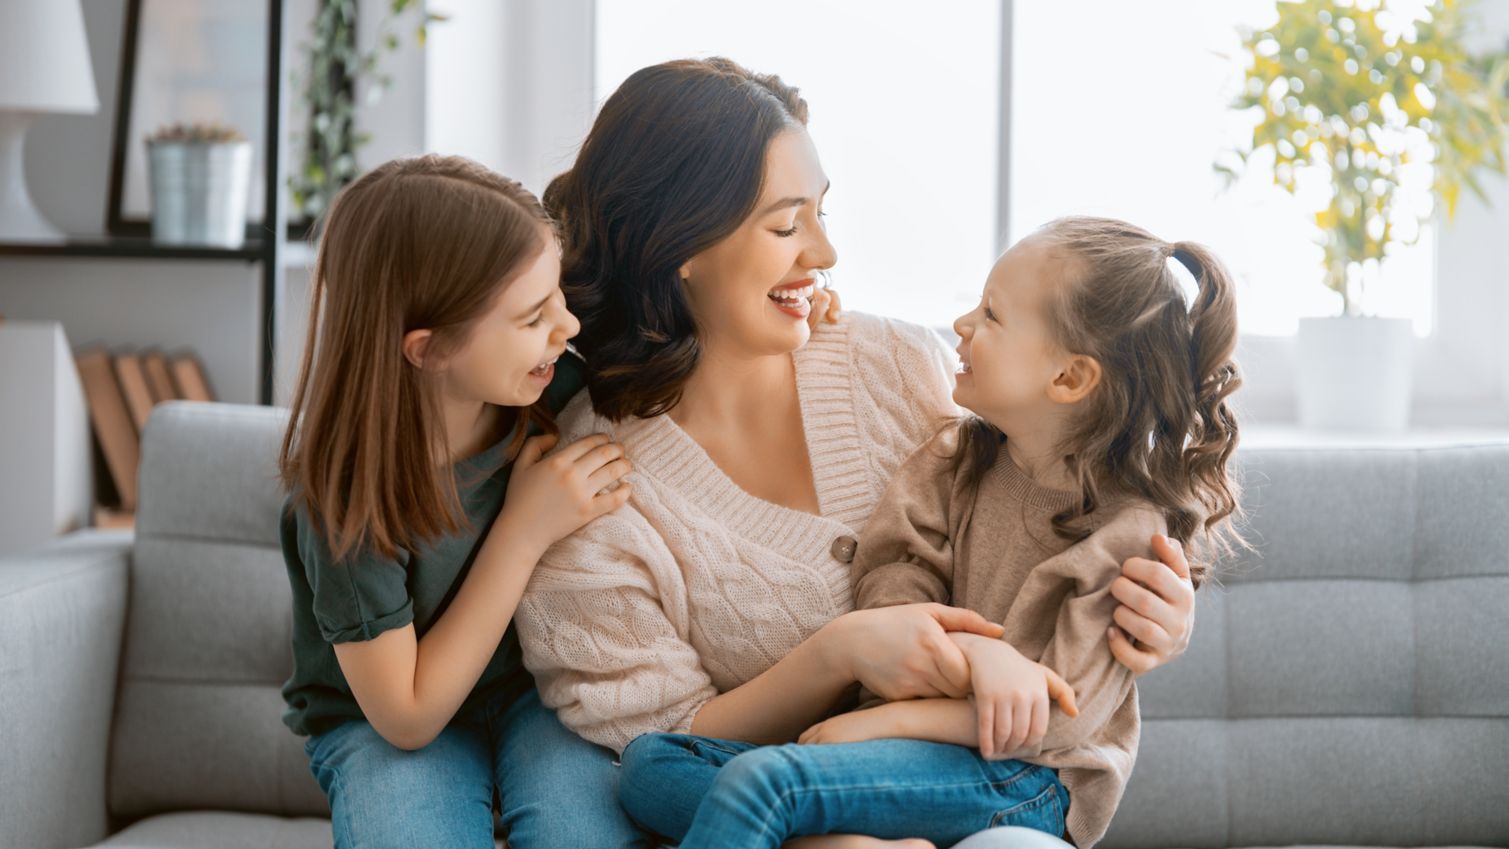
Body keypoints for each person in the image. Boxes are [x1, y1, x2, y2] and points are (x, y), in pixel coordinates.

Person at [515, 58, 1199, 847]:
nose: (826, 252)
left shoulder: (905, 370)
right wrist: (837, 656)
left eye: (821, 212)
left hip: (986, 790)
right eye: (785, 224)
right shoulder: (589, 489)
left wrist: (1150, 614)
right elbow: (669, 737)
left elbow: (1064, 507)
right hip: (776, 808)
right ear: (681, 247)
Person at [622, 217, 1245, 849]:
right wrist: (972, 655)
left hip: (1022, 780)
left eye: (993, 315)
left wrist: (888, 722)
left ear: (1068, 379)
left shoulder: (1125, 532)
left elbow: (1057, 719)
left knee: (765, 784)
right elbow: (892, 573)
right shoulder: (956, 458)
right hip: (910, 750)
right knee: (652, 765)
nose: (963, 325)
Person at [276, 154, 641, 849]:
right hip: (387, 722)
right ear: (429, 347)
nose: (566, 328)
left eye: (556, 296)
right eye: (534, 315)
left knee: (581, 831)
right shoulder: (344, 499)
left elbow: (697, 362)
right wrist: (522, 531)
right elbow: (407, 715)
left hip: (534, 693)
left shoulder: (547, 387)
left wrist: (822, 323)